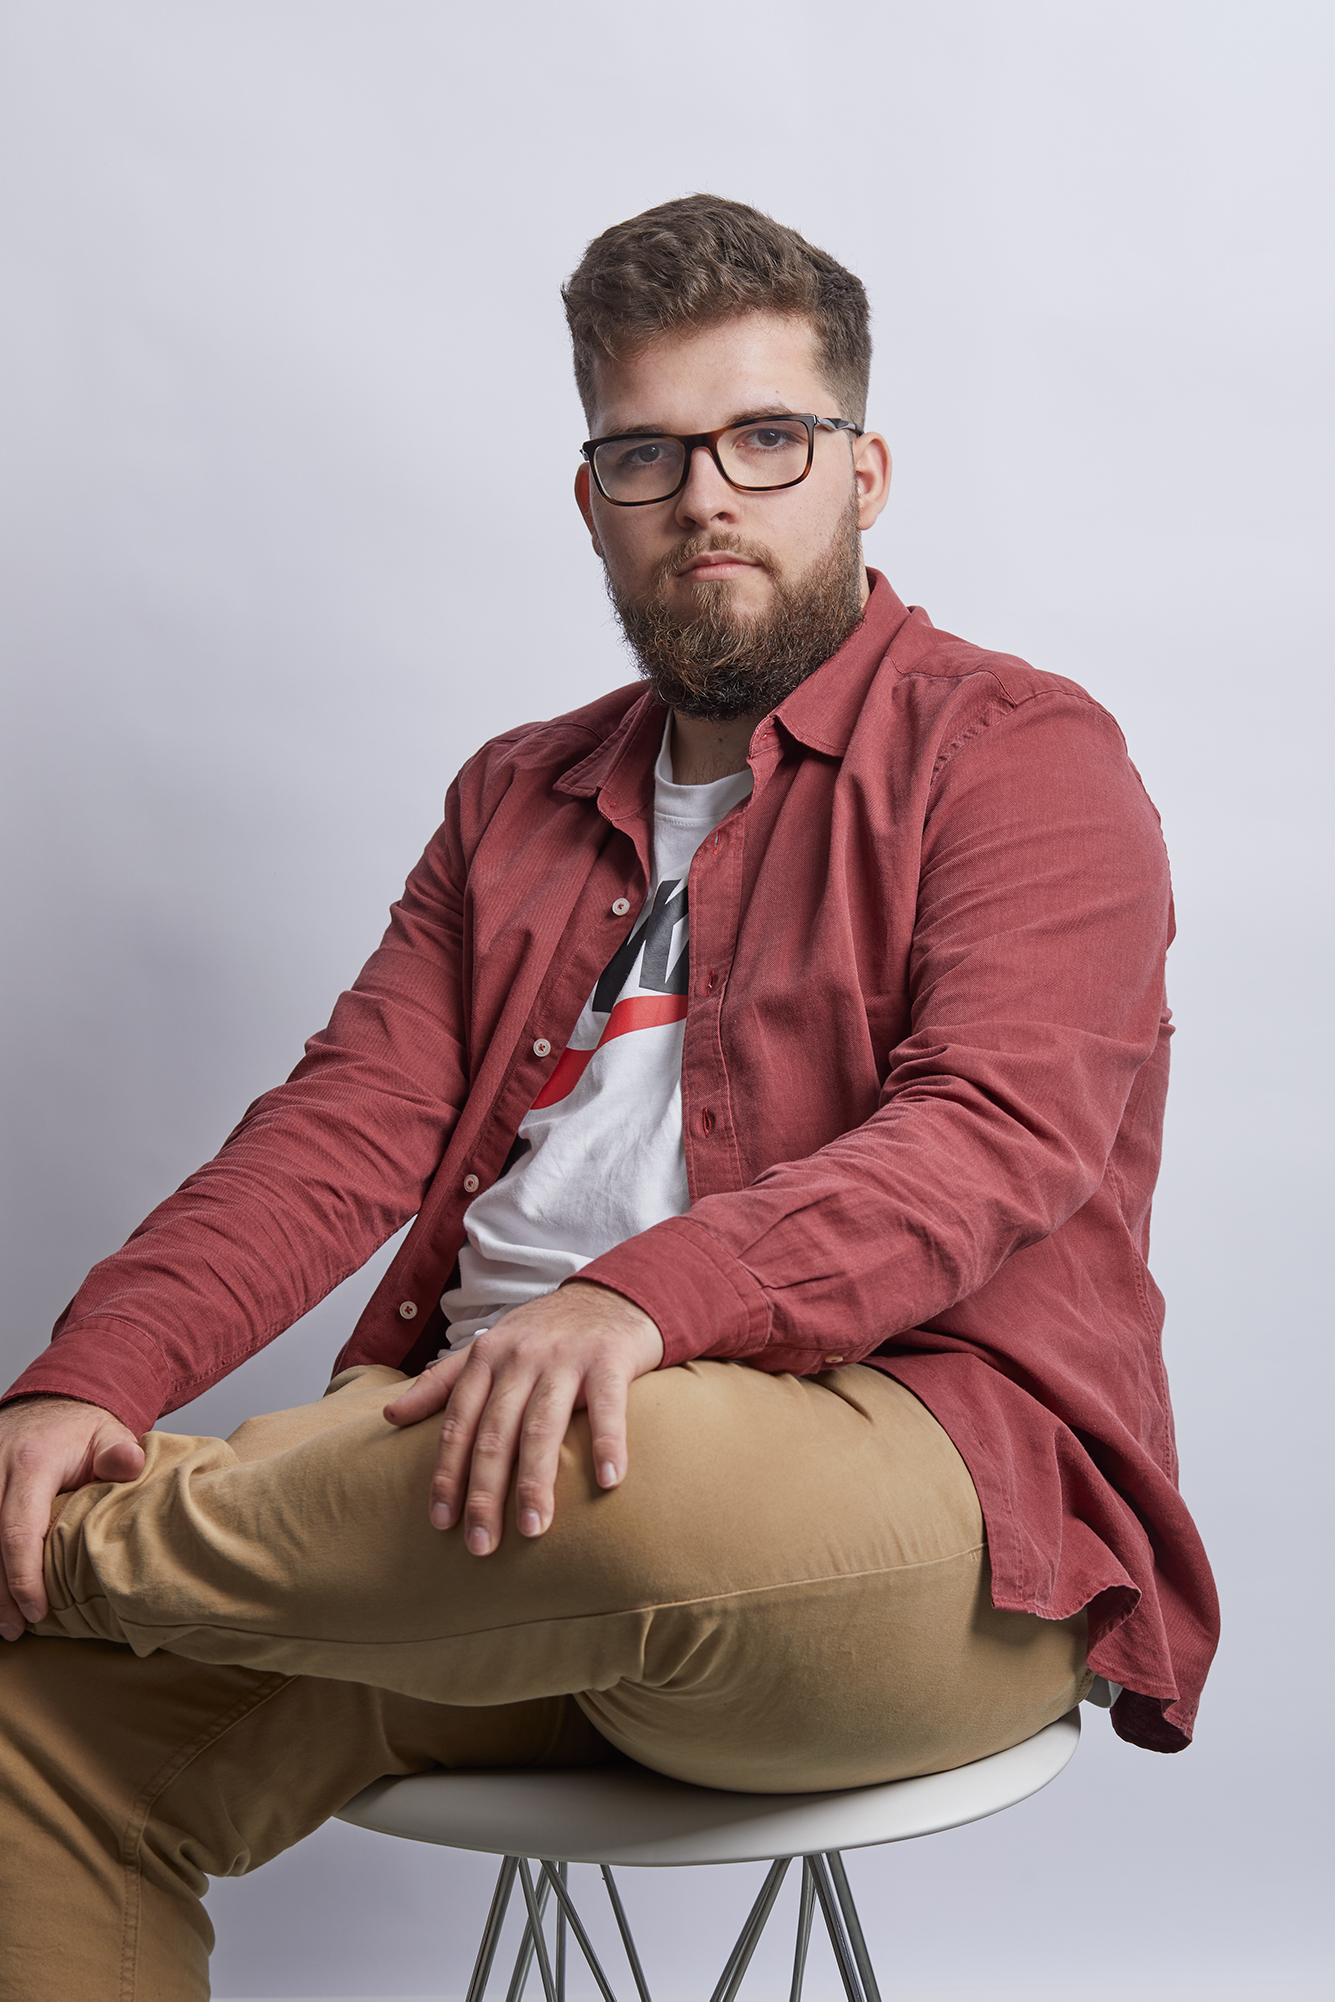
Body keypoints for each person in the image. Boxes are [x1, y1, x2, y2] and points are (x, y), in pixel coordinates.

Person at [0, 195, 1218, 2000]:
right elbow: (336, 1133)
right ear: (594, 499)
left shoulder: (1020, 754)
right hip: (470, 1516)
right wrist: (84, 1378)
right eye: (649, 453)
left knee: (611, 1462)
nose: (707, 496)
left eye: (765, 438)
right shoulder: (514, 797)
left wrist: (637, 1302)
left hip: (898, 1499)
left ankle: (66, 1547)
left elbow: (992, 1136)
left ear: (864, 471)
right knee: (33, 1728)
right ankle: (67, 1540)